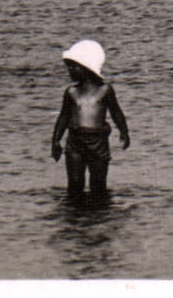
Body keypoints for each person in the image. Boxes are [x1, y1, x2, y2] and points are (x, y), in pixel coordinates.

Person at [51, 40, 130, 200]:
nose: (70, 70)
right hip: (75, 141)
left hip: (98, 142)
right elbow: (63, 118)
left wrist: (124, 132)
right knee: (75, 182)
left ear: (87, 68)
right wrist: (56, 140)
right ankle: (76, 214)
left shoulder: (105, 90)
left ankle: (98, 215)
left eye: (74, 66)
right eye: (69, 66)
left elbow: (116, 113)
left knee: (98, 184)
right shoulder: (71, 92)